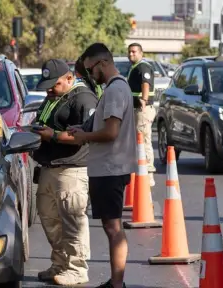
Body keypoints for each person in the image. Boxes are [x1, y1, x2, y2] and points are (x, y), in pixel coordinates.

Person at [68, 43, 137, 288]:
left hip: (110, 169)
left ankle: (117, 284)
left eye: (90, 69)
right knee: (111, 226)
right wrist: (84, 130)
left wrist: (83, 137)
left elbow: (110, 132)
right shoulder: (114, 89)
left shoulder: (115, 91)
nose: (90, 75)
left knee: (113, 227)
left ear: (102, 63)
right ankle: (115, 282)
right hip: (108, 168)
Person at [30, 59, 97, 286]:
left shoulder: (83, 99)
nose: (50, 89)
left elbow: (86, 135)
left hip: (72, 170)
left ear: (69, 78)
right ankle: (60, 263)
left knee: (72, 221)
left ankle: (77, 269)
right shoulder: (54, 98)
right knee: (49, 218)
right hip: (49, 167)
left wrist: (53, 136)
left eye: (54, 84)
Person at [126, 43, 156, 186]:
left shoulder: (143, 67)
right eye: (129, 52)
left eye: (134, 52)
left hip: (142, 109)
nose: (131, 54)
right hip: (135, 109)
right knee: (138, 140)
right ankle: (141, 171)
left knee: (143, 140)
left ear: (141, 53)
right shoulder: (135, 67)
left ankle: (148, 175)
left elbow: (146, 83)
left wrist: (143, 100)